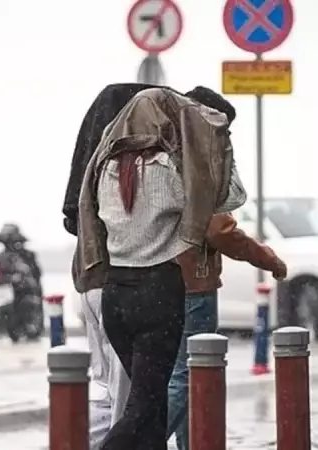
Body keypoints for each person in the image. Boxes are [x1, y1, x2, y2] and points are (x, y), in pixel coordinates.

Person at [75, 87, 247, 450]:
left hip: (115, 294)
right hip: (157, 292)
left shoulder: (105, 168)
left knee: (149, 409)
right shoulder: (171, 171)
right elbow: (228, 197)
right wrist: (215, 141)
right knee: (143, 406)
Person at [164, 87, 288, 450]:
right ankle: (140, 442)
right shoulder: (196, 161)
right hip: (194, 285)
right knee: (190, 375)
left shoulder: (165, 151)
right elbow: (220, 230)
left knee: (179, 373)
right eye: (223, 129)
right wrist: (267, 259)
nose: (225, 138)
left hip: (162, 282)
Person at [62, 83, 167, 448]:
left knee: (106, 388)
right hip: (119, 286)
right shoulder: (128, 168)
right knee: (126, 397)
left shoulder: (93, 165)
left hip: (91, 280)